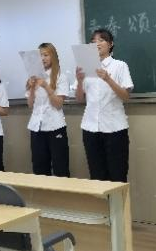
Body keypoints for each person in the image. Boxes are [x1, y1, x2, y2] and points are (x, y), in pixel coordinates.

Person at [74, 29, 134, 182]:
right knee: (97, 176)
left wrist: (108, 79)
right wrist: (79, 81)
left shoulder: (119, 66)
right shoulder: (85, 67)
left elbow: (126, 96)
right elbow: (79, 100)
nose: (97, 44)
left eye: (101, 40)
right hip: (90, 128)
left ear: (110, 44)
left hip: (114, 128)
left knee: (117, 175)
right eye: (93, 41)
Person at [26, 43, 70, 177]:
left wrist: (46, 86)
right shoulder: (33, 77)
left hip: (55, 126)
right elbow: (30, 105)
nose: (42, 58)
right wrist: (32, 88)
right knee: (39, 168)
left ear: (53, 57)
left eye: (46, 55)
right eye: (40, 55)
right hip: (36, 127)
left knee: (60, 168)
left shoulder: (60, 76)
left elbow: (58, 104)